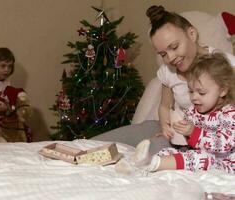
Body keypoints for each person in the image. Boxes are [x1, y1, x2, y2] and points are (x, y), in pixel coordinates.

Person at [92, 5, 235, 155]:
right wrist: (165, 127)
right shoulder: (168, 71)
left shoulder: (225, 65)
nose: (171, 58)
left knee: (153, 148)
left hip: (206, 140)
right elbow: (165, 106)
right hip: (177, 130)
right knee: (106, 141)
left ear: (192, 34)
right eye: (163, 54)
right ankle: (78, 150)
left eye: (174, 47)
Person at [117, 53, 234, 174]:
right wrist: (173, 132)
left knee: (201, 158)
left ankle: (152, 164)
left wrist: (194, 132)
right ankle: (137, 165)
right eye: (191, 91)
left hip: (224, 163)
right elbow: (187, 139)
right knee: (169, 151)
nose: (194, 97)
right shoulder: (193, 111)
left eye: (201, 93)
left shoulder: (229, 114)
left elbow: (224, 144)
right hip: (199, 153)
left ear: (223, 90)